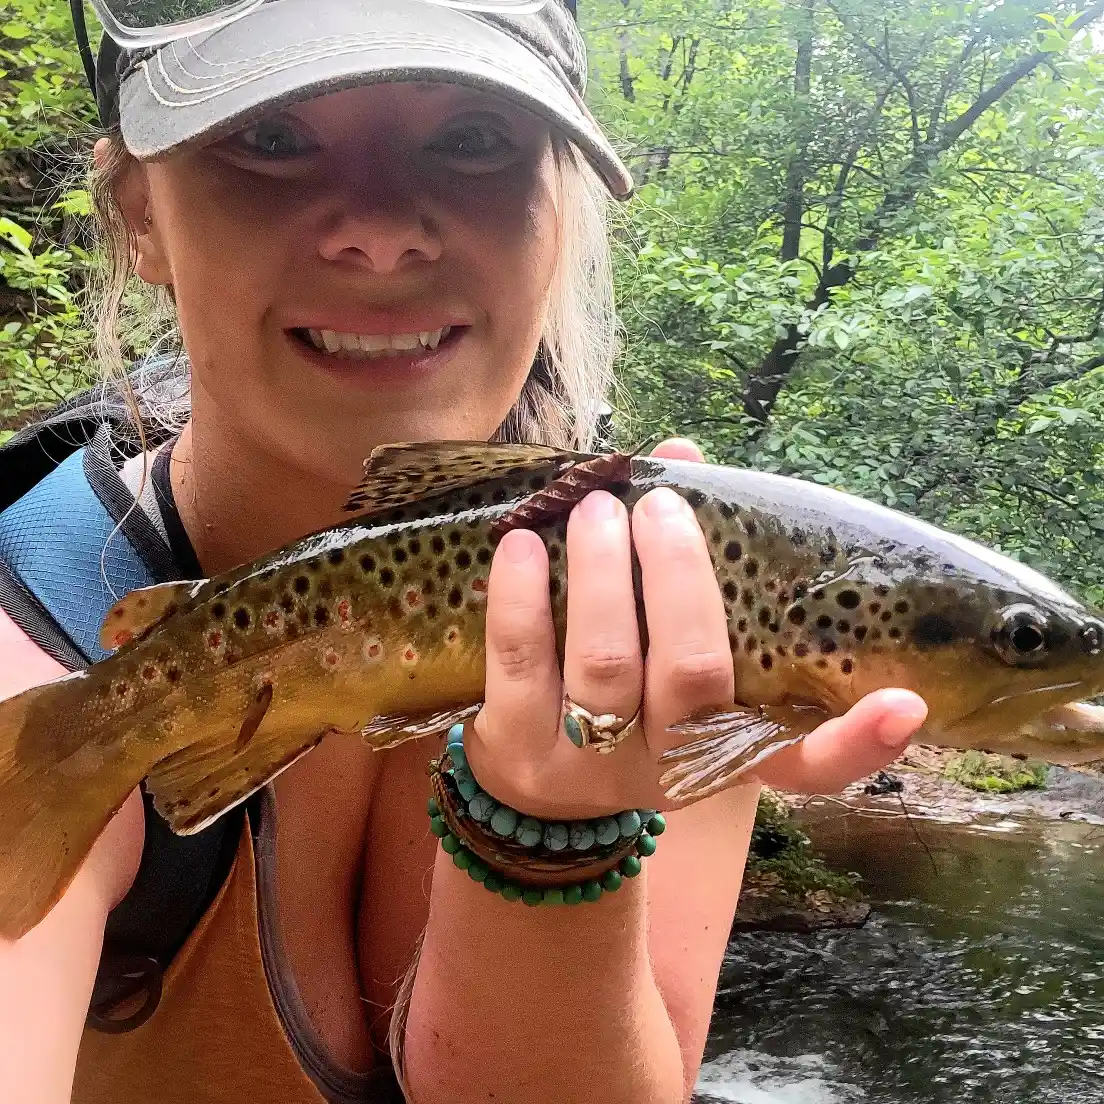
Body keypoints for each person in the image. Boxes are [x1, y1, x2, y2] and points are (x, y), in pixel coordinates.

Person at [0, 0, 929, 1101]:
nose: (384, 229)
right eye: (275, 138)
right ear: (140, 212)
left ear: (558, 215)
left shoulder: (669, 607)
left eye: (474, 139)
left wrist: (558, 836)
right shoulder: (33, 643)